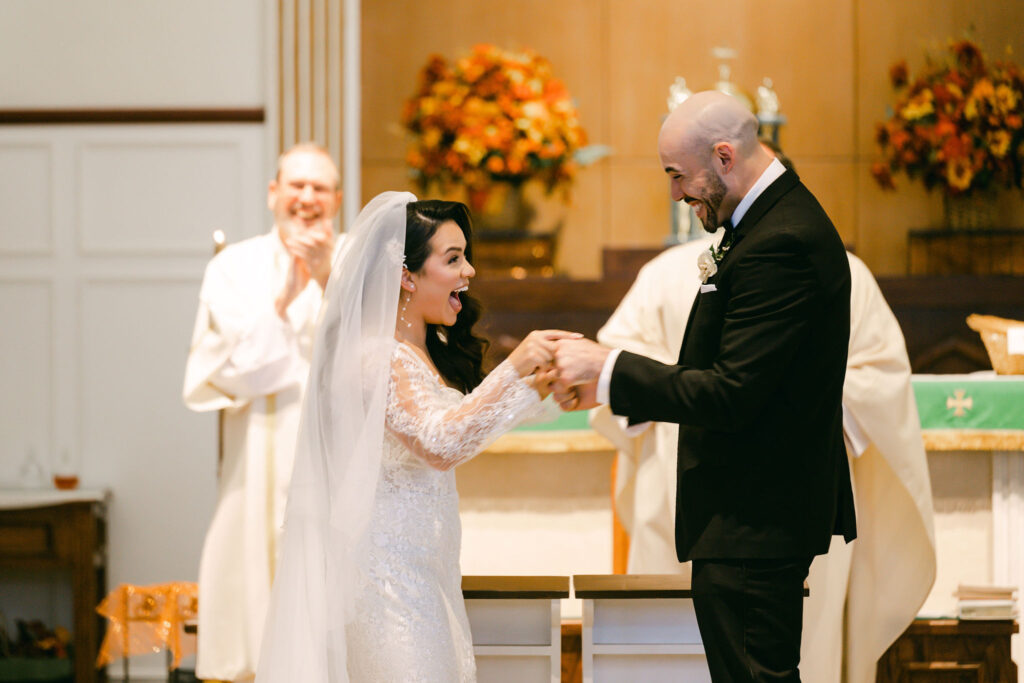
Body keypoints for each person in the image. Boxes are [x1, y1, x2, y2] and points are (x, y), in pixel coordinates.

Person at [592, 144, 936, 682]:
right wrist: (644, 388)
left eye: (681, 178)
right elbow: (622, 360)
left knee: (764, 661)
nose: (680, 195)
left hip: (770, 497)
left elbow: (873, 377)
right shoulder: (667, 272)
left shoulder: (812, 257)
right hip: (687, 485)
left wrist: (797, 399)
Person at [553, 90, 857, 681]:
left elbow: (731, 393)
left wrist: (609, 368)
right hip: (752, 517)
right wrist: (609, 382)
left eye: (677, 175)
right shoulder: (765, 226)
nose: (674, 193)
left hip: (755, 517)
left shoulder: (782, 242)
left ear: (724, 156)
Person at [255, 192, 574, 682]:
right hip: (386, 583)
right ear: (406, 275)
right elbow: (439, 443)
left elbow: (459, 426)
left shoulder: (423, 355)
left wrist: (540, 386)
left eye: (466, 256)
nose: (468, 272)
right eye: (453, 258)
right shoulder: (376, 357)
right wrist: (516, 368)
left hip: (428, 576)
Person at [182, 143, 342, 682]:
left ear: (337, 200)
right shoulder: (235, 267)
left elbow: (378, 358)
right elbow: (238, 373)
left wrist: (324, 280)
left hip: (336, 466)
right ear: (273, 193)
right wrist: (283, 300)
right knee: (251, 618)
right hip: (255, 464)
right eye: (295, 185)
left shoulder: (355, 263)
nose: (306, 197)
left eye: (319, 187)